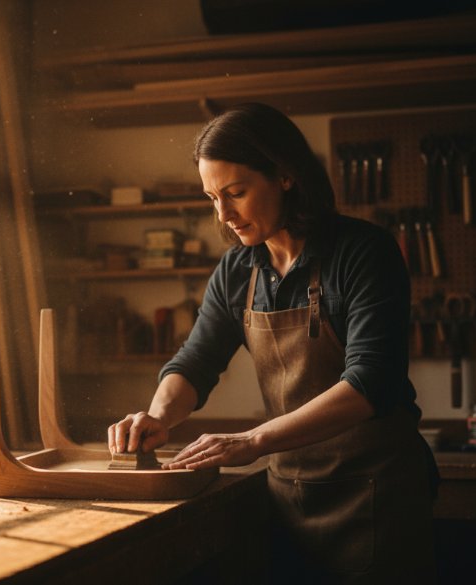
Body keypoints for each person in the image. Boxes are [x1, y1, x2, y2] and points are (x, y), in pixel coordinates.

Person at [107, 103, 438, 583]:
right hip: (289, 498)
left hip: (378, 496)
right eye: (212, 198)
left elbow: (371, 382)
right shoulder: (237, 270)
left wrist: (253, 439)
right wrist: (157, 416)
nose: (224, 215)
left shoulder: (364, 252)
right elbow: (195, 362)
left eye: (236, 193)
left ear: (284, 176)